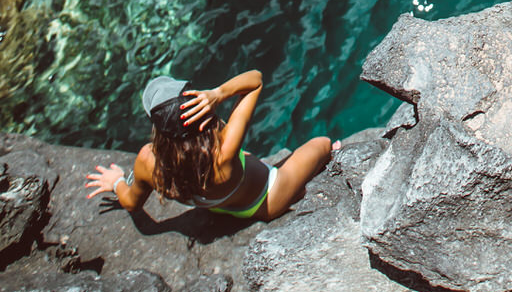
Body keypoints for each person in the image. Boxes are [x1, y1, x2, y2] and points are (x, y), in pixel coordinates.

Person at [86, 69, 333, 224]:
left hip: (221, 207)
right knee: (322, 144)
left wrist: (118, 181)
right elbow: (255, 80)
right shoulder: (224, 147)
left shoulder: (148, 161)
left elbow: (131, 203)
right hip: (265, 200)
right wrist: (218, 93)